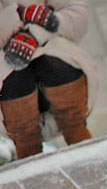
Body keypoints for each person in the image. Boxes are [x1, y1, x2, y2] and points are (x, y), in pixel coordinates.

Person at [0, 0, 97, 160]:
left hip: (58, 65)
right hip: (9, 90)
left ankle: (82, 144)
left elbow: (78, 15)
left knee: (52, 59)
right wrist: (18, 17)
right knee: (12, 65)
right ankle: (29, 158)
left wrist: (35, 33)